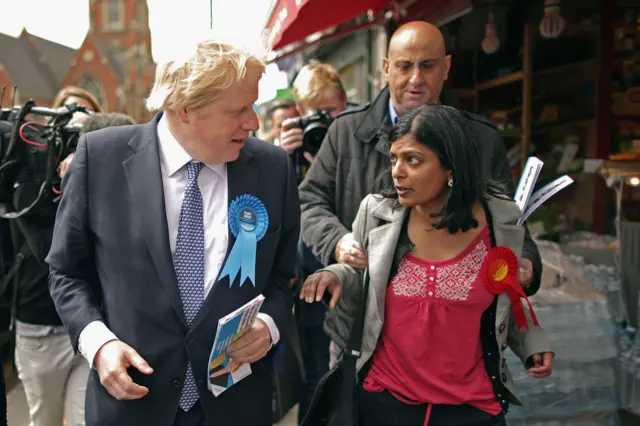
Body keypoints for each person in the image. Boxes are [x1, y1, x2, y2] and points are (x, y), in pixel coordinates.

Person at [46, 39, 300, 426]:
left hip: (235, 407)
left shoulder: (274, 168)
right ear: (184, 109)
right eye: (238, 110)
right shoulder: (101, 158)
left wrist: (268, 325)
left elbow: (284, 278)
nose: (254, 122)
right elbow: (65, 272)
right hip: (132, 404)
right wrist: (98, 344)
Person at [300, 105, 553, 426]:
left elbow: (507, 297)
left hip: (471, 410)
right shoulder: (377, 214)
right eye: (394, 158)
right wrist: (334, 275)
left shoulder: (500, 221)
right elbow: (364, 278)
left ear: (452, 167)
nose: (397, 171)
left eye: (413, 160)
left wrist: (533, 343)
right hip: (384, 403)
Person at [298, 21, 542, 300]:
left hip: (457, 316)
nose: (416, 78)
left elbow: (511, 221)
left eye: (427, 66)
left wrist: (525, 265)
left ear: (446, 68)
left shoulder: (481, 140)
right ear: (386, 68)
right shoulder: (346, 131)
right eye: (404, 66)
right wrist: (337, 242)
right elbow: (309, 201)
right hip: (361, 318)